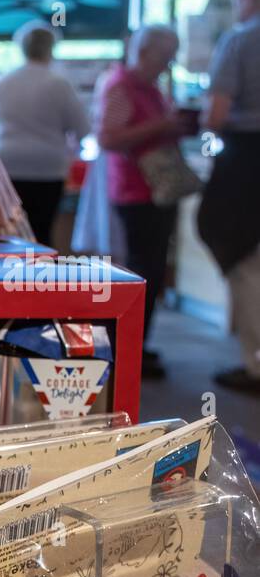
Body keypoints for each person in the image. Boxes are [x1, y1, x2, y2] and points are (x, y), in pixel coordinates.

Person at [95, 24, 190, 380]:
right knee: (142, 270)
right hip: (137, 191)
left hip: (153, 191)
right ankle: (128, 347)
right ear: (146, 52)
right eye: (165, 57)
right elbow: (108, 137)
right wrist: (161, 127)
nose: (168, 65)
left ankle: (136, 343)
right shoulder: (121, 85)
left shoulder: (146, 87)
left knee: (149, 270)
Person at [199, 0, 260, 394]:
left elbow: (215, 116)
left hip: (247, 161)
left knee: (246, 263)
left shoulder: (241, 41)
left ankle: (256, 365)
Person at [0, 20, 90, 244]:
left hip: (7, 164)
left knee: (11, 234)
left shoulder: (3, 81)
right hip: (47, 168)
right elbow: (83, 127)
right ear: (51, 48)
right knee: (41, 232)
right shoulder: (59, 83)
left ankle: (9, 277)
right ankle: (40, 277)